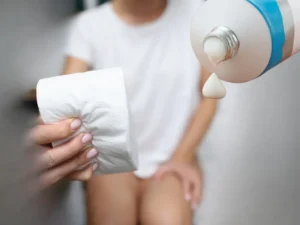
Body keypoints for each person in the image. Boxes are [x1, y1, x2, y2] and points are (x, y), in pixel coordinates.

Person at [30, 0, 217, 224]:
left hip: (172, 155)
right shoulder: (89, 27)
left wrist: (183, 157)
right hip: (112, 155)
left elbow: (210, 95)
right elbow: (67, 100)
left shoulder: (197, 14)